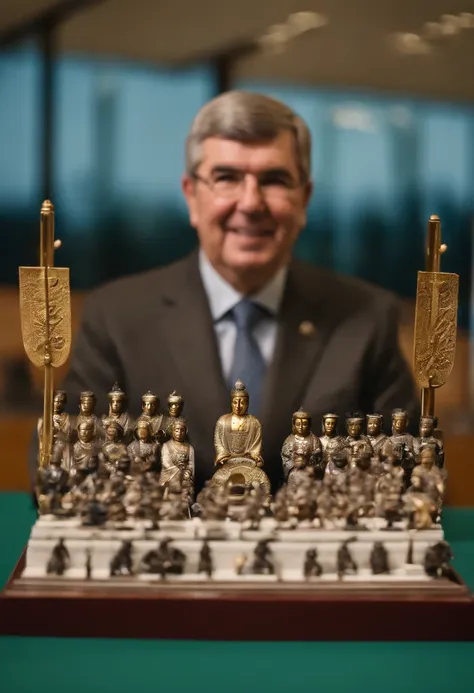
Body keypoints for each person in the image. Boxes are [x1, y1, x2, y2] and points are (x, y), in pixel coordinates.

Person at [34, 90, 418, 494]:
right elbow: (55, 462)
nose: (250, 203)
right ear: (191, 196)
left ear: (304, 199)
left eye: (274, 180)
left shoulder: (366, 316)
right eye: (227, 178)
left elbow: (406, 470)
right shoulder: (117, 316)